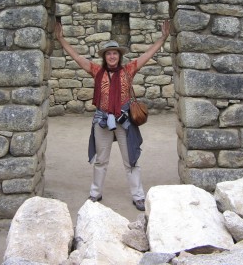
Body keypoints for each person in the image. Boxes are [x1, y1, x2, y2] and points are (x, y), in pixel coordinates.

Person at [55, 19, 170, 211]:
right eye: (108, 53)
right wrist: (61, 40)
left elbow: (147, 55)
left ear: (119, 55)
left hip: (124, 121)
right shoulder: (96, 71)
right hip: (102, 121)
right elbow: (78, 58)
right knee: (101, 160)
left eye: (114, 53)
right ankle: (95, 193)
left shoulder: (128, 70)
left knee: (130, 159)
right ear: (104, 56)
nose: (112, 56)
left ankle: (138, 196)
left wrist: (163, 38)